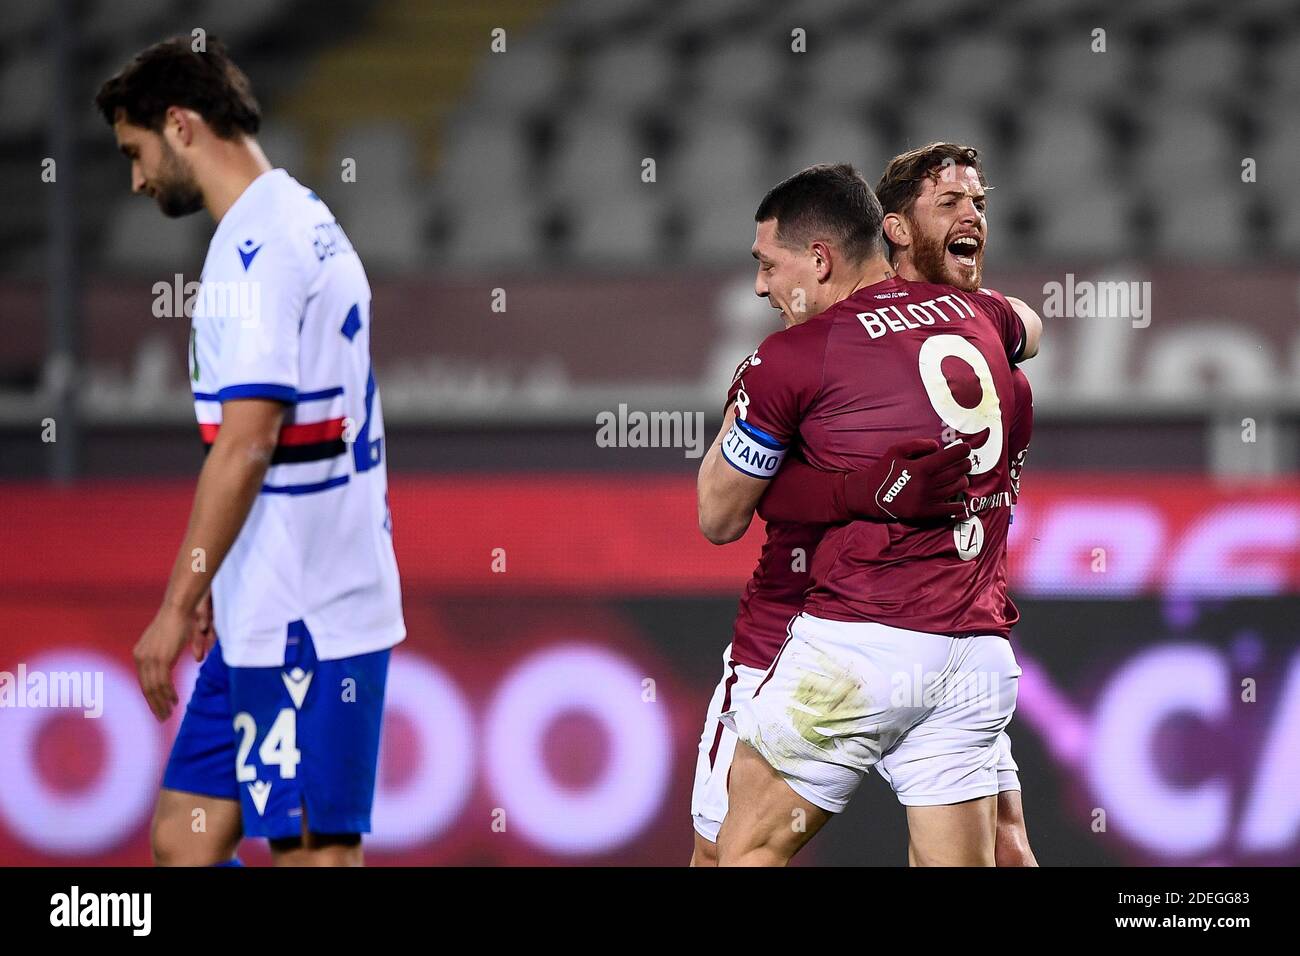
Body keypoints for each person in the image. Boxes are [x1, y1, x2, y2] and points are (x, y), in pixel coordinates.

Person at [96, 36, 405, 866]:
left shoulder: (259, 255)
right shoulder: (297, 219)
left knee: (314, 856)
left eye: (136, 152)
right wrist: (216, 575)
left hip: (313, 610)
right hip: (260, 604)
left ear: (180, 124)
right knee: (183, 844)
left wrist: (172, 604)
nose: (136, 178)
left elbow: (248, 443)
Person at [697, 163, 1034, 865]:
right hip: (974, 655)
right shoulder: (983, 317)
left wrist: (855, 488)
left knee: (740, 853)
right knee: (993, 853)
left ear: (819, 259)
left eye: (768, 265)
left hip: (850, 646)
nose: (761, 286)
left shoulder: (789, 361)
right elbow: (1029, 326)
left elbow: (719, 518)